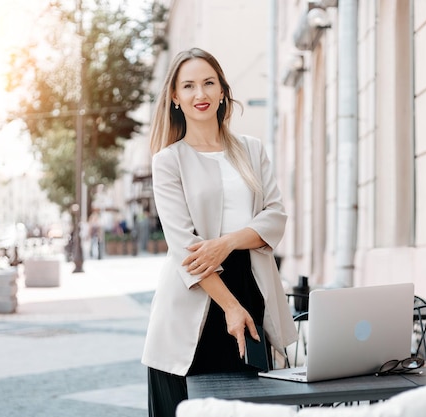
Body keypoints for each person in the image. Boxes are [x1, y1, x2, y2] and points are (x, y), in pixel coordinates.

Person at [141, 47, 297, 417]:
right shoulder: (168, 161)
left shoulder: (252, 150)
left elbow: (275, 217)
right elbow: (185, 247)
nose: (201, 94)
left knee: (251, 407)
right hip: (195, 296)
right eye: (189, 86)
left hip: (252, 288)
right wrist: (229, 306)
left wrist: (227, 242)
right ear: (175, 97)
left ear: (223, 91)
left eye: (209, 83)